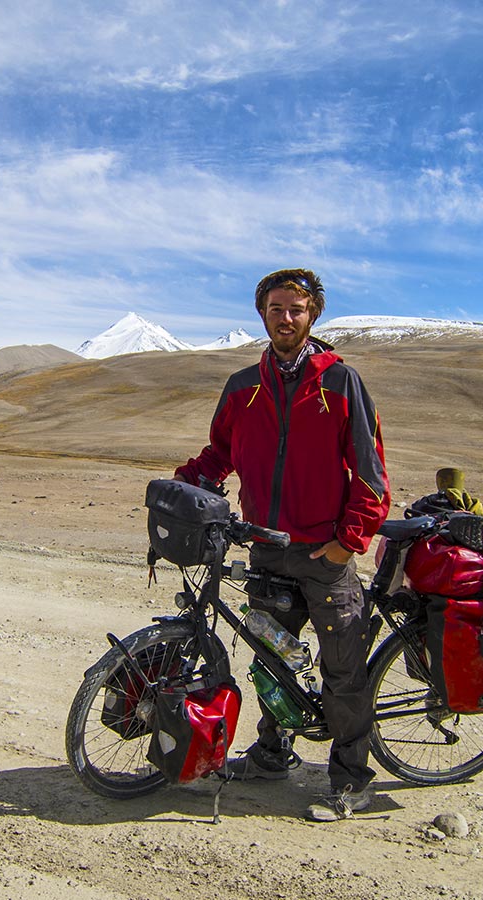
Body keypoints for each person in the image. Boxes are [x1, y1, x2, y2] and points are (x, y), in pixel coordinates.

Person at [174, 268, 390, 821]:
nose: (285, 318)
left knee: (343, 668)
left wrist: (349, 541)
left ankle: (350, 778)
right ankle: (273, 752)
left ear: (312, 314)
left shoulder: (339, 382)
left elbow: (370, 470)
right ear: (262, 314)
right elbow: (220, 453)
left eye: (295, 309)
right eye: (275, 308)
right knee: (272, 660)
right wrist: (183, 489)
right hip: (266, 545)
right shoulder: (244, 385)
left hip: (325, 551)